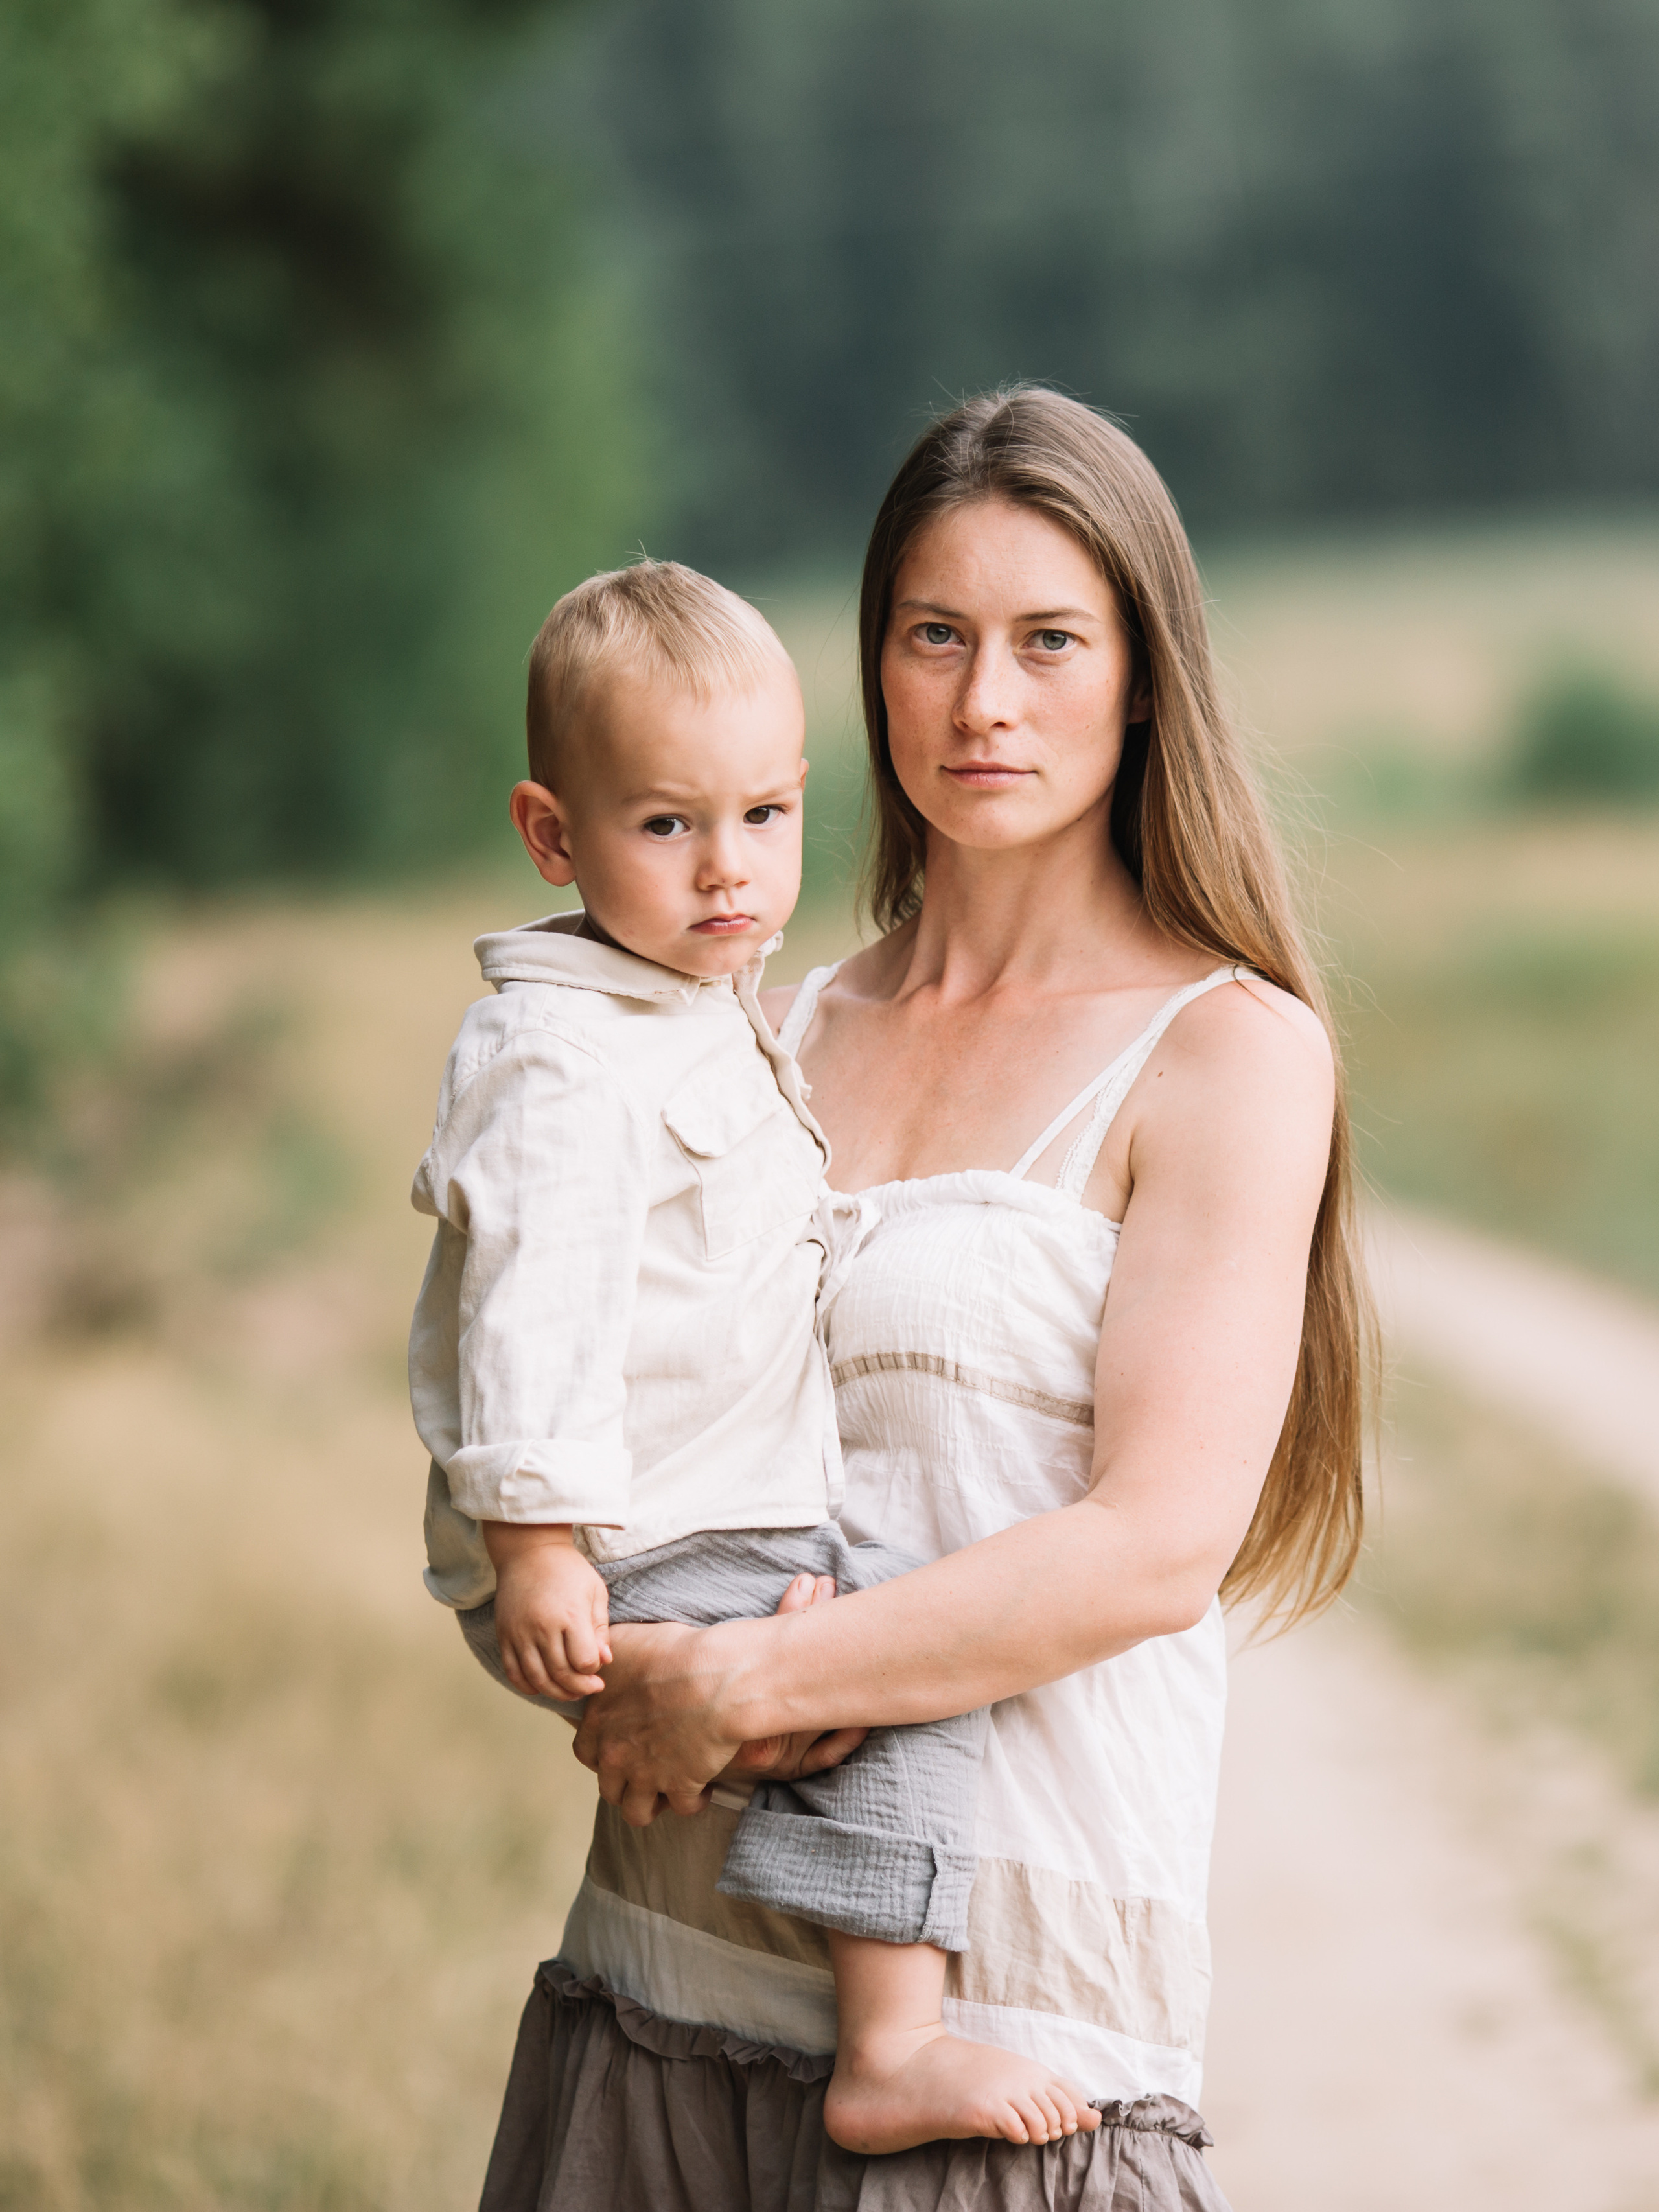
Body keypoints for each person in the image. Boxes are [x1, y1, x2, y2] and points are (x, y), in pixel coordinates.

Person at [477, 388, 1369, 2212]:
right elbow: (567, 1389)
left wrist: (753, 1678)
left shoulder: (1231, 1054)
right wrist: (584, 1652)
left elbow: (1151, 1548)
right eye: (933, 634)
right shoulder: (755, 1022)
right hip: (664, 1973)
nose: (984, 702)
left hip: (1013, 2039)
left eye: (1051, 640)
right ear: (871, 669)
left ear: (1142, 677)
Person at [410, 558, 1108, 2161]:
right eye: (666, 828)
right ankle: (890, 2042)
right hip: (627, 1532)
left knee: (878, 1659)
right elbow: (529, 1305)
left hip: (701, 1512)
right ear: (551, 834)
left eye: (766, 818)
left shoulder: (690, 999)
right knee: (910, 1667)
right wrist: (532, 1546)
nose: (729, 873)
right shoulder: (567, 1056)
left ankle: (853, 1998)